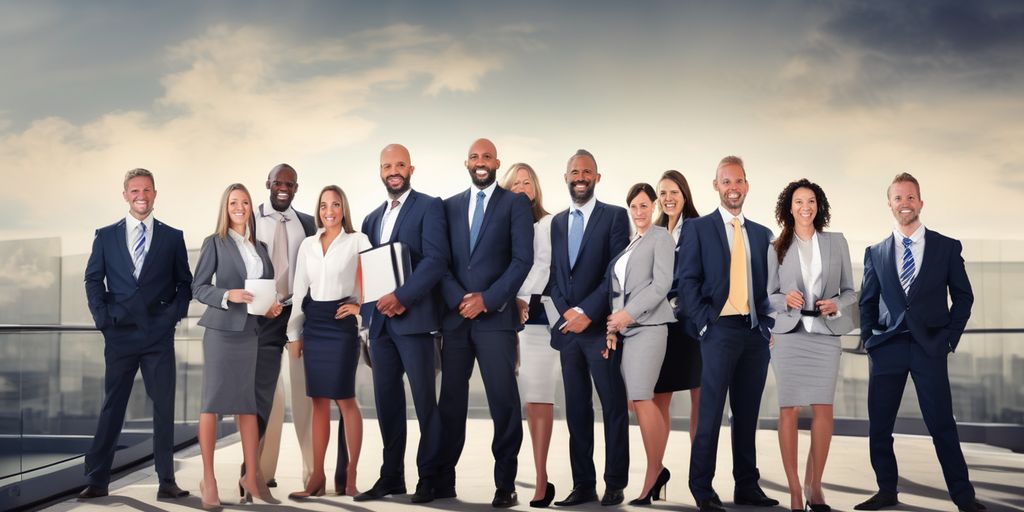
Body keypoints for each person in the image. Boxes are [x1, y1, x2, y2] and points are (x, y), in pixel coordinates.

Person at [855, 173, 984, 512]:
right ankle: (886, 490)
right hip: (887, 349)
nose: (905, 203)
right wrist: (869, 339)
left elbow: (964, 298)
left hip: (930, 348)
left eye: (911, 197)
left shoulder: (946, 247)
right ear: (890, 205)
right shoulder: (875, 252)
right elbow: (866, 302)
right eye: (898, 198)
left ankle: (964, 497)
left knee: (942, 425)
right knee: (880, 427)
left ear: (920, 202)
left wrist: (949, 339)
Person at [80, 168, 193, 501]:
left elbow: (183, 283)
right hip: (120, 334)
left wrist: (173, 315)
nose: (140, 195)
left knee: (163, 408)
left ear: (155, 193)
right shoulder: (105, 236)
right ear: (125, 195)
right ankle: (98, 479)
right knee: (113, 406)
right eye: (134, 190)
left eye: (146, 189)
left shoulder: (173, 237)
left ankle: (167, 481)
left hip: (158, 335)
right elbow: (92, 280)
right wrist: (103, 319)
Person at [437, 138, 533, 508]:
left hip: (496, 321)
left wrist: (487, 300)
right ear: (466, 163)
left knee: (504, 403)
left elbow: (521, 261)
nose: (481, 162)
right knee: (451, 404)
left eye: (487, 157)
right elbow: (440, 261)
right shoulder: (448, 207)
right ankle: (443, 480)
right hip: (457, 318)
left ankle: (505, 484)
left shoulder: (515, 205)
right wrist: (460, 299)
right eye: (475, 157)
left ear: (497, 163)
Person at [679, 156, 779, 512]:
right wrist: (706, 323)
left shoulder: (761, 233)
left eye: (738, 181)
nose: (732, 188)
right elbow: (686, 281)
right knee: (710, 414)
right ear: (716, 186)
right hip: (718, 330)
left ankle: (747, 487)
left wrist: (768, 325)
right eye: (726, 181)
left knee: (747, 414)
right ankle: (701, 488)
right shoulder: (698, 229)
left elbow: (769, 287)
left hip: (754, 333)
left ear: (747, 185)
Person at [355, 144, 449, 504]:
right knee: (387, 403)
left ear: (411, 168)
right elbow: (365, 272)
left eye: (399, 165)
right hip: (380, 327)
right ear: (380, 171)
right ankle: (391, 476)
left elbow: (436, 260)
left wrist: (402, 297)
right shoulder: (371, 218)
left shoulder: (429, 206)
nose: (393, 171)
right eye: (386, 165)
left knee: (426, 402)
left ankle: (431, 477)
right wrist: (367, 320)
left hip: (415, 321)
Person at [767, 179, 857, 512]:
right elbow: (767, 295)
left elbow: (850, 291)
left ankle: (814, 485)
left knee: (823, 410)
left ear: (818, 207)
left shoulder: (836, 242)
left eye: (811, 201)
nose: (806, 207)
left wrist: (836, 304)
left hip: (824, 335)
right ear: (789, 208)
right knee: (788, 409)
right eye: (799, 202)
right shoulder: (776, 246)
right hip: (789, 336)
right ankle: (794, 490)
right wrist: (783, 298)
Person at [548, 149, 631, 507]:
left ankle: (615, 484)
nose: (580, 177)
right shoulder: (556, 223)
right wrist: (568, 313)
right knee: (577, 410)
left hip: (600, 330)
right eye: (574, 172)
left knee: (612, 407)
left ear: (597, 177)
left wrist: (586, 311)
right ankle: (583, 485)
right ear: (565, 177)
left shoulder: (614, 217)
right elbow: (555, 277)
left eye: (586, 172)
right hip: (569, 333)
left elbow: (614, 271)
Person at [193, 183, 282, 506]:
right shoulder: (214, 243)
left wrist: (272, 308)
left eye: (244, 202)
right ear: (225, 207)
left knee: (248, 406)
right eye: (233, 202)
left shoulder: (260, 248)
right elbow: (199, 288)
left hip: (251, 332)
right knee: (212, 405)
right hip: (220, 333)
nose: (240, 207)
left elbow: (264, 291)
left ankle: (251, 477)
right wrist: (226, 295)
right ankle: (209, 479)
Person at [286, 185, 369, 499]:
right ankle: (317, 476)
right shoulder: (308, 244)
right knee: (318, 401)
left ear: (343, 208)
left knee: (345, 399)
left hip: (341, 322)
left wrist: (360, 309)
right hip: (315, 322)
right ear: (318, 209)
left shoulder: (358, 240)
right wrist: (294, 334)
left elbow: (375, 278)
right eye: (323, 205)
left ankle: (350, 475)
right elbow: (298, 292)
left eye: (335, 204)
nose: (329, 210)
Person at [252, 163, 324, 490]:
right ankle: (260, 472)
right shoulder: (249, 220)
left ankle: (313, 473)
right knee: (267, 396)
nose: (283, 188)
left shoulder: (309, 224)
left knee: (304, 394)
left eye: (290, 184)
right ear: (268, 184)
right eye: (278, 182)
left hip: (299, 317)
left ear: (297, 188)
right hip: (263, 317)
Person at [604, 183, 676, 506]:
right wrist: (613, 326)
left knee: (642, 397)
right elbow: (618, 291)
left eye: (644, 205)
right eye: (633, 206)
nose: (638, 212)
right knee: (638, 400)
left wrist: (628, 315)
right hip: (627, 330)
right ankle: (656, 472)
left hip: (649, 326)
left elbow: (662, 285)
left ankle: (654, 472)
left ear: (654, 207)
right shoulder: (633, 242)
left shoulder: (661, 237)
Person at [502, 162, 559, 508]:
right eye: (515, 184)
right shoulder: (500, 226)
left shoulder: (547, 223)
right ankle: (507, 478)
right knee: (511, 403)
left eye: (528, 183)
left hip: (536, 320)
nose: (522, 188)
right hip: (501, 321)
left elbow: (543, 264)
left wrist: (521, 298)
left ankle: (541, 480)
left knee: (538, 399)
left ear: (536, 188)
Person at [653, 170, 702, 443]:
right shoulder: (654, 232)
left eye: (673, 192)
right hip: (662, 326)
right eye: (662, 193)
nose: (668, 198)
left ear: (684, 194)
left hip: (693, 326)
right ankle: (657, 472)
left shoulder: (700, 227)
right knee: (659, 398)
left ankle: (699, 474)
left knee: (700, 400)